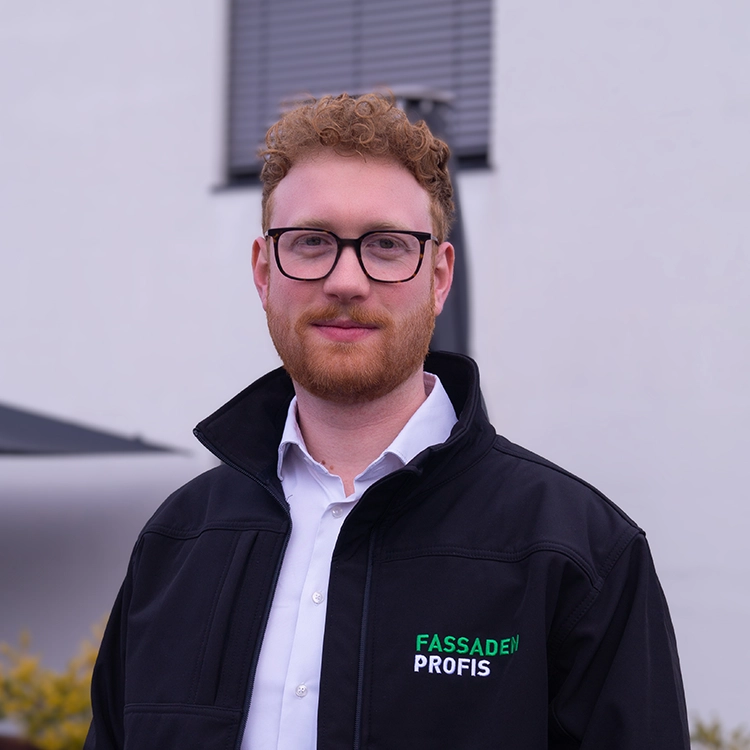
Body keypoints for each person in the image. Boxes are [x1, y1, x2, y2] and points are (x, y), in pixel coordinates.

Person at [85, 92, 690, 749]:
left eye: (387, 245)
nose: (346, 281)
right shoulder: (177, 541)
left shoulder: (579, 551)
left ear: (439, 277)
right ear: (263, 271)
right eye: (311, 242)